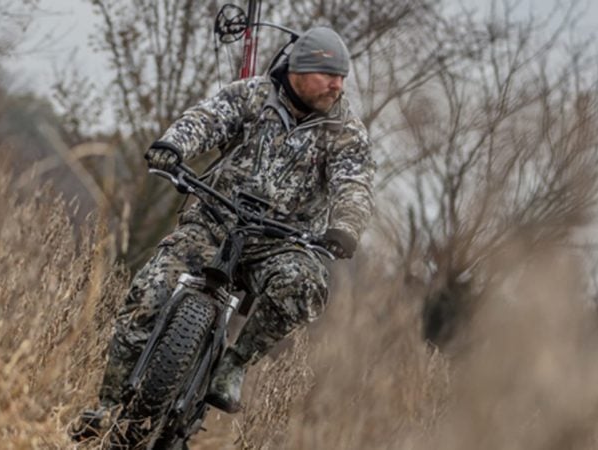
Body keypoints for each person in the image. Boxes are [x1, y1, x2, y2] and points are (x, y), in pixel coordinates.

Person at [70, 26, 375, 439]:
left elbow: (353, 184)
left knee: (304, 283)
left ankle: (234, 365)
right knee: (150, 292)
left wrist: (346, 226)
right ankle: (106, 407)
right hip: (214, 221)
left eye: (343, 76)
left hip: (282, 241)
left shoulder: (347, 132)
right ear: (299, 71)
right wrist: (173, 146)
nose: (337, 85)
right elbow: (209, 118)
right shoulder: (251, 96)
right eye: (328, 74)